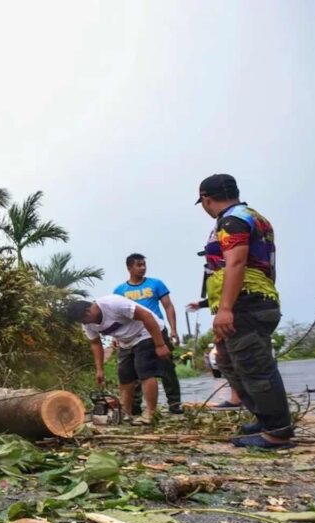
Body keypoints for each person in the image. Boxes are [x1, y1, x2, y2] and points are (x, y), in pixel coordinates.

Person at [194, 173, 293, 449]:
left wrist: (226, 309)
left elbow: (236, 263)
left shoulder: (233, 220)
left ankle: (277, 431)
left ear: (205, 198)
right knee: (226, 359)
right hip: (252, 299)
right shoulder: (254, 217)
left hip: (245, 302)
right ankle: (265, 418)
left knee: (254, 366)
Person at [67, 295, 170, 425]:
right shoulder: (88, 324)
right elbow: (95, 343)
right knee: (125, 375)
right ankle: (124, 412)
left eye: (84, 320)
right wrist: (99, 369)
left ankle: (151, 413)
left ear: (88, 311)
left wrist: (160, 345)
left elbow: (146, 316)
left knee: (145, 371)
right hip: (126, 341)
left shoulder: (114, 304)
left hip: (147, 332)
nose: (85, 324)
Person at [113, 254, 184, 414]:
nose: (143, 268)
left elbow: (168, 306)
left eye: (144, 264)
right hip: (135, 335)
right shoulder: (120, 290)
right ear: (129, 268)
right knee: (136, 371)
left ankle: (174, 403)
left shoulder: (156, 284)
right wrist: (115, 336)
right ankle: (136, 405)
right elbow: (117, 315)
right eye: (139, 265)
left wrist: (173, 329)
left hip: (157, 331)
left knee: (167, 367)